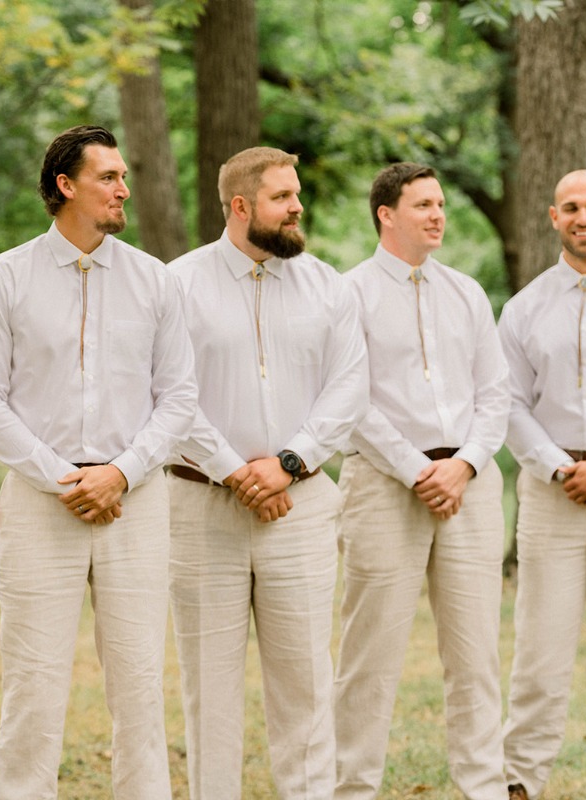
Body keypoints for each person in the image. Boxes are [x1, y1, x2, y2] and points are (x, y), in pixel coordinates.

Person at [0, 125, 197, 798]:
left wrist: (120, 472)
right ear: (66, 185)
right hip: (42, 504)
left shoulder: (155, 281)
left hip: (138, 502)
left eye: (124, 177)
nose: (124, 188)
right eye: (109, 177)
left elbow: (179, 398)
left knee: (141, 686)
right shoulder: (7, 277)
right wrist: (62, 477)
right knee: (33, 685)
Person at [166, 146, 368, 799]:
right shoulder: (177, 284)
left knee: (306, 681)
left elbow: (349, 390)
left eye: (297, 193)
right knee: (209, 688)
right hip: (199, 509)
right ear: (241, 206)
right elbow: (170, 392)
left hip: (301, 508)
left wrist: (287, 463)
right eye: (284, 197)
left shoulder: (329, 287)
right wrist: (232, 470)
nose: (297, 206)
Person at [332, 163, 510, 800]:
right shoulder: (346, 293)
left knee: (475, 654)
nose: (438, 215)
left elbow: (496, 395)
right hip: (383, 485)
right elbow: (351, 401)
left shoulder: (465, 292)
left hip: (470, 484)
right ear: (386, 213)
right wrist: (415, 469)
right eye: (423, 205)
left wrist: (462, 466)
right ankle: (353, 788)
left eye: (440, 204)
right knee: (368, 656)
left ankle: (484, 787)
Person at [500, 169, 586, 800]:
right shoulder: (524, 306)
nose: (584, 217)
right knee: (539, 649)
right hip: (550, 491)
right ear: (554, 217)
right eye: (571, 207)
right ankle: (520, 780)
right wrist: (556, 466)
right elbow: (507, 403)